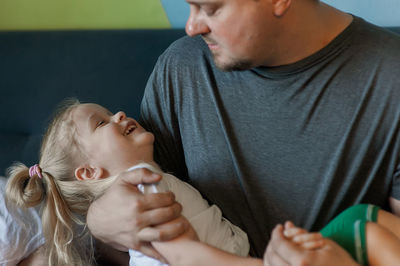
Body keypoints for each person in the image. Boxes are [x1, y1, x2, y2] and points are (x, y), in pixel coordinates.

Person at [86, 0, 400, 264]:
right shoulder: (182, 68)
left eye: (210, 8)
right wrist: (99, 221)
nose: (192, 26)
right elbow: (147, 243)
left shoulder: (391, 77)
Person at [5, 100, 262, 266]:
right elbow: (185, 257)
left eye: (110, 112)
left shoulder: (149, 183)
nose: (119, 113)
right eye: (102, 122)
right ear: (89, 172)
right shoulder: (142, 188)